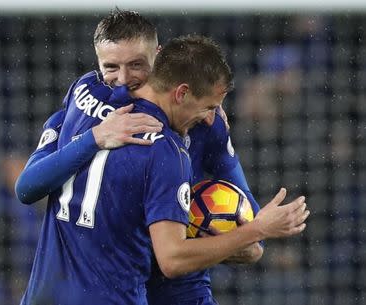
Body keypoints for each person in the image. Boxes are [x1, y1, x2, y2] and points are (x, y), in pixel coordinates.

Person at [17, 34, 309, 305]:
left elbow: (251, 238)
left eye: (135, 66)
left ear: (156, 60)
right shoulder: (161, 148)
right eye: (112, 67)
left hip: (151, 286)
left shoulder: (86, 94)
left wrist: (230, 232)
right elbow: (175, 257)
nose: (123, 79)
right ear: (181, 92)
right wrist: (254, 231)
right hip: (126, 282)